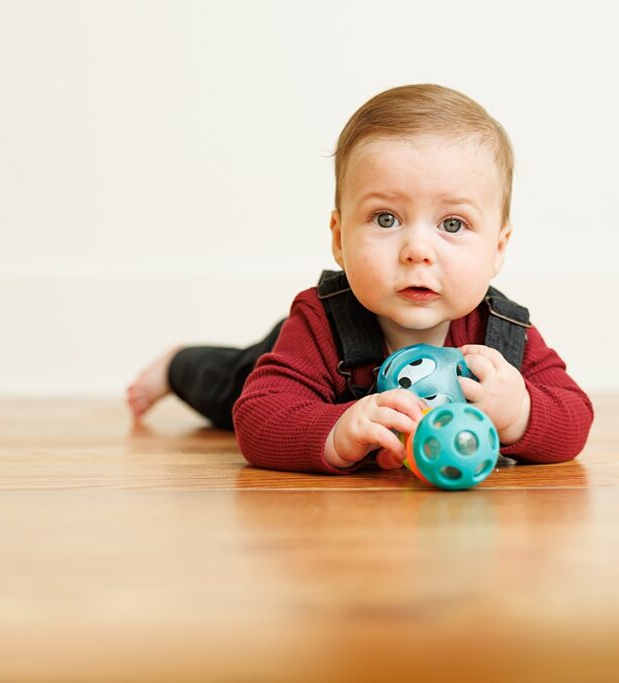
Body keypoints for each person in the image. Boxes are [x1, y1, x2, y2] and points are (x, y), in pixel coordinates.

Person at [127, 84, 594, 474]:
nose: (417, 250)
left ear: (497, 248)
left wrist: (521, 412)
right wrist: (337, 430)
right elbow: (258, 417)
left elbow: (575, 416)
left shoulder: (504, 335)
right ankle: (177, 365)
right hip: (302, 367)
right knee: (229, 382)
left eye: (452, 224)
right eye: (386, 219)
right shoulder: (319, 322)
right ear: (339, 237)